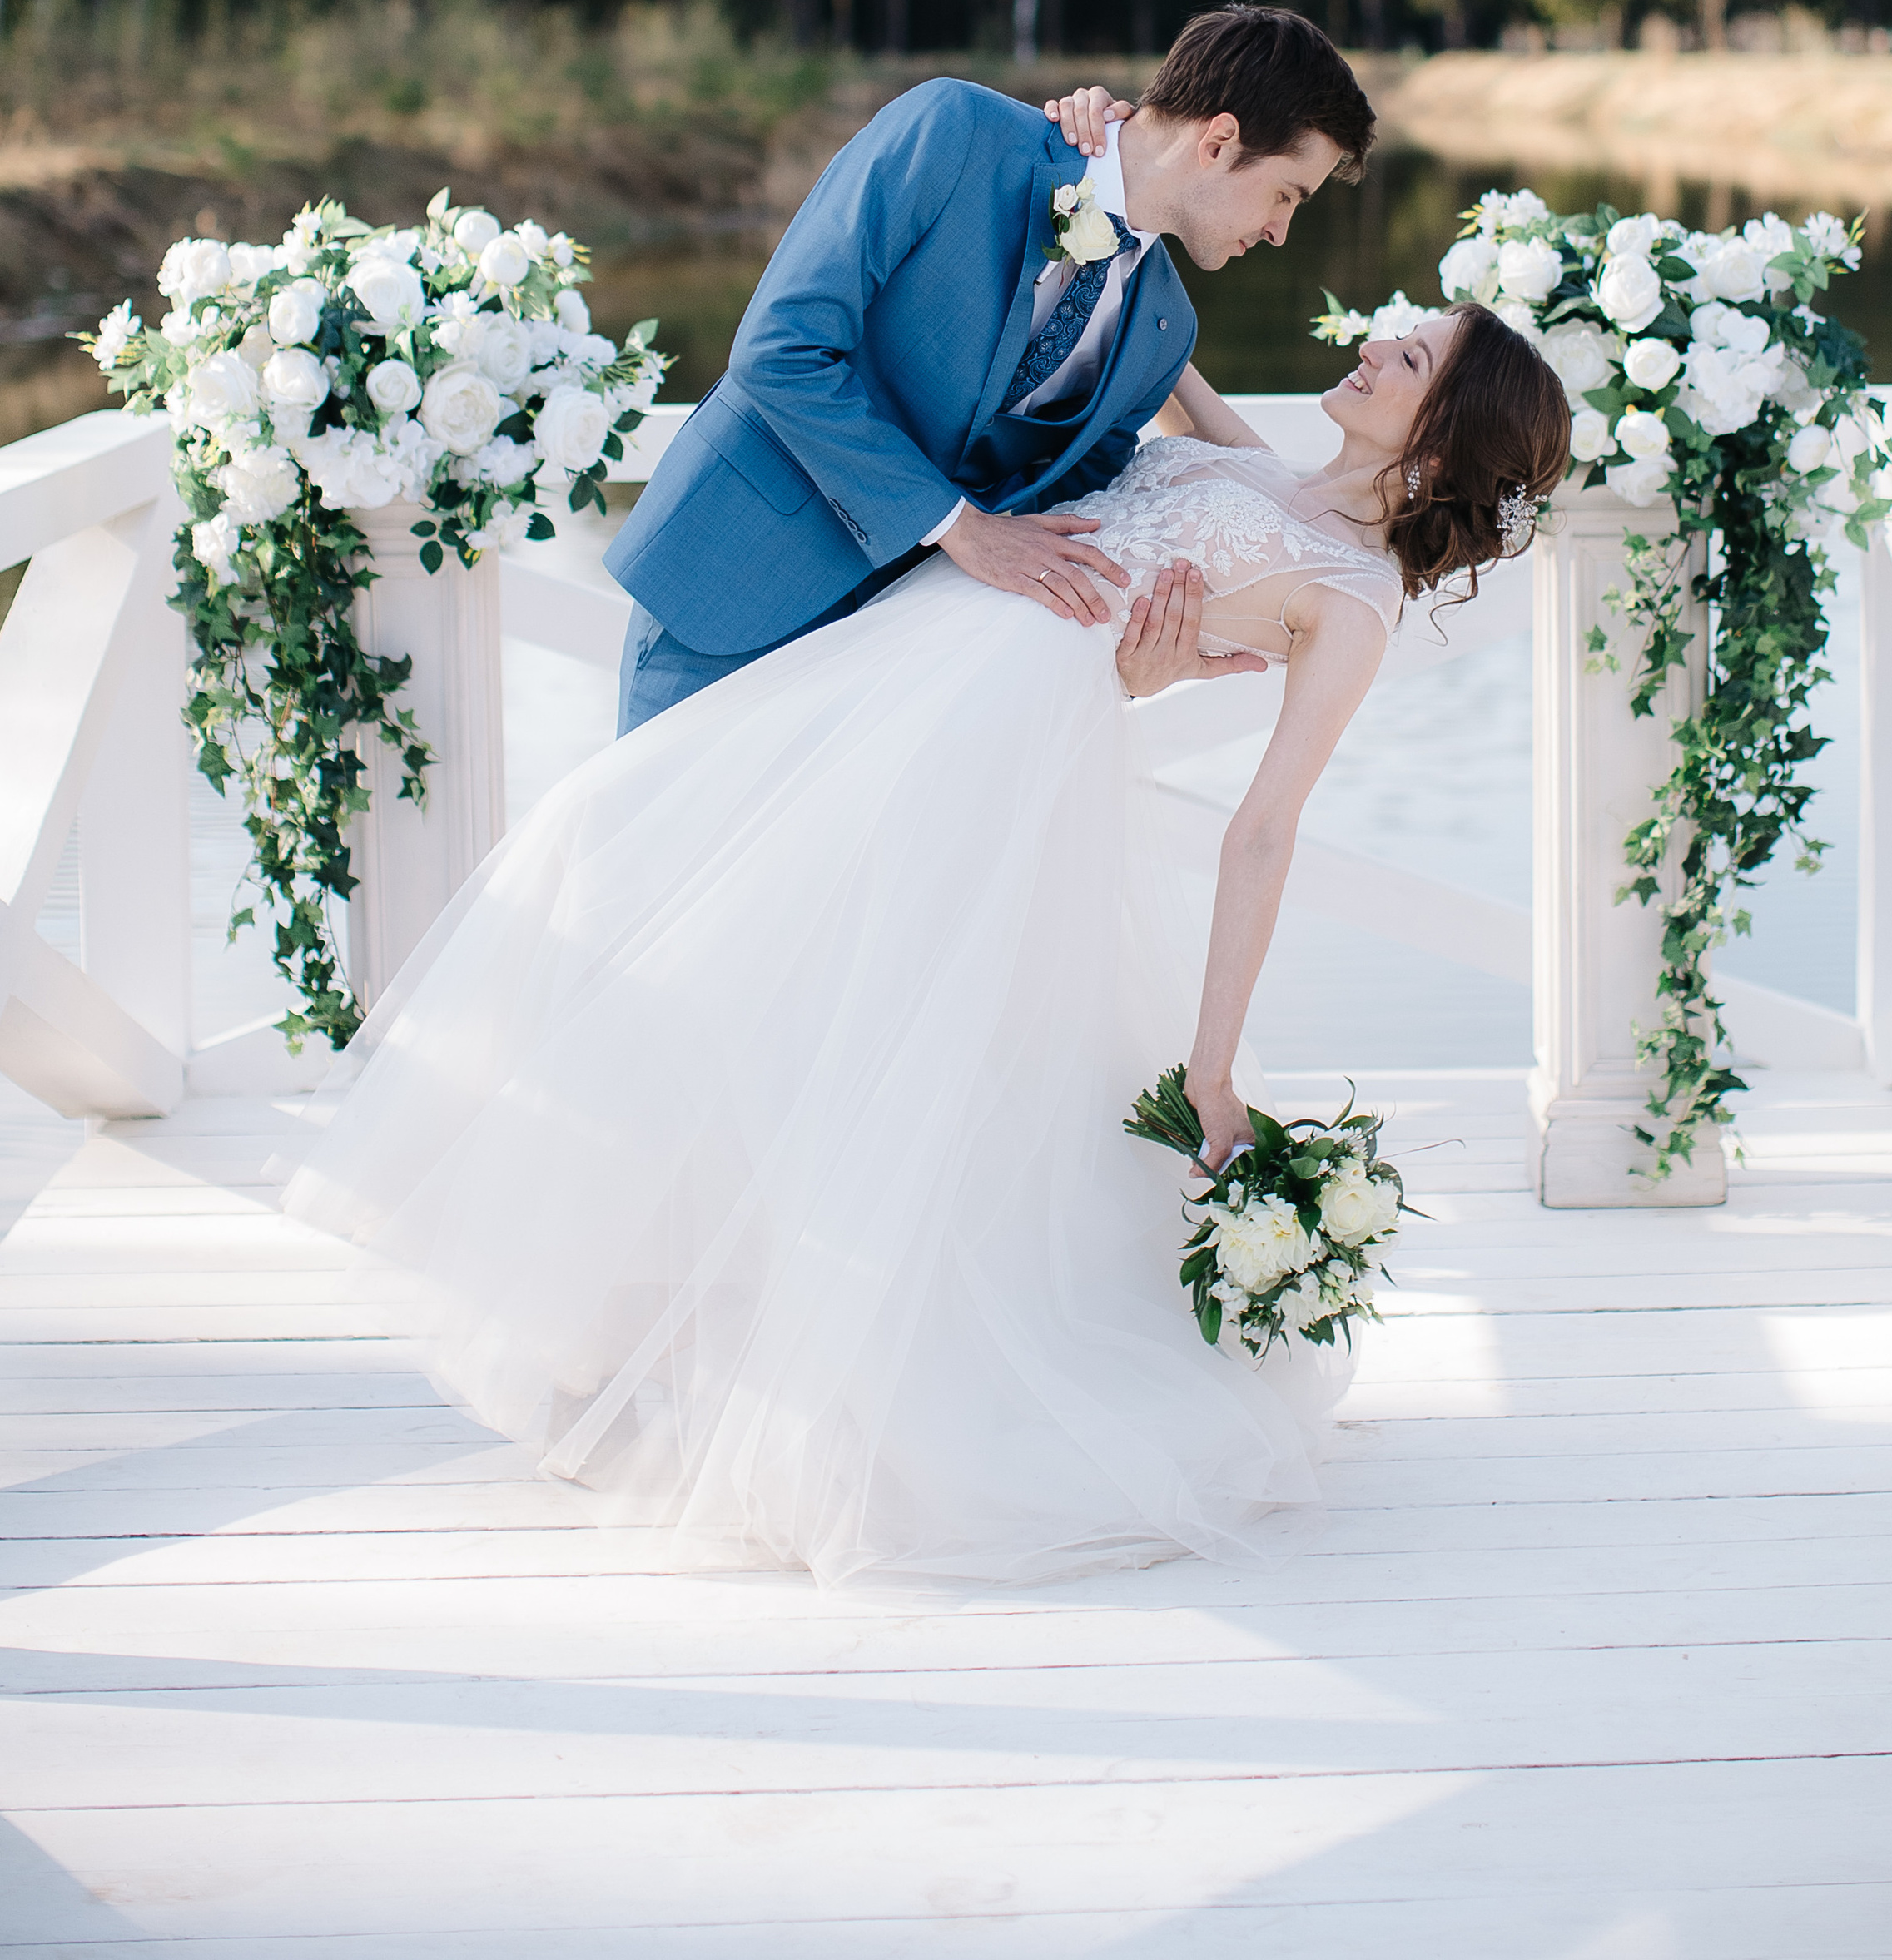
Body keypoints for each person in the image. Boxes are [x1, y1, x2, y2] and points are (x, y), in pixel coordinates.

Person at [286, 282, 1571, 1590]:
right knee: (632, 860)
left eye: (1408, 357)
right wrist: (1117, 203)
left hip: (986, 761)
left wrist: (1213, 1065)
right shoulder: (1261, 467)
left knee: (853, 1029)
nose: (1368, 347)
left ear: (1434, 444)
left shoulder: (1352, 602)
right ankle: (638, 1318)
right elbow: (1166, 330)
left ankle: (805, 1385)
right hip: (889, 667)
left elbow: (1264, 832)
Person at [603, 4, 1376, 730]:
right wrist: (958, 527)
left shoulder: (1163, 334)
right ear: (1218, 143)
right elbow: (782, 351)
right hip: (729, 583)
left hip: (897, 671)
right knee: (654, 868)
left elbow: (1071, 525)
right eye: (1287, 194)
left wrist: (1141, 656)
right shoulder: (955, 133)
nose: (1281, 231)